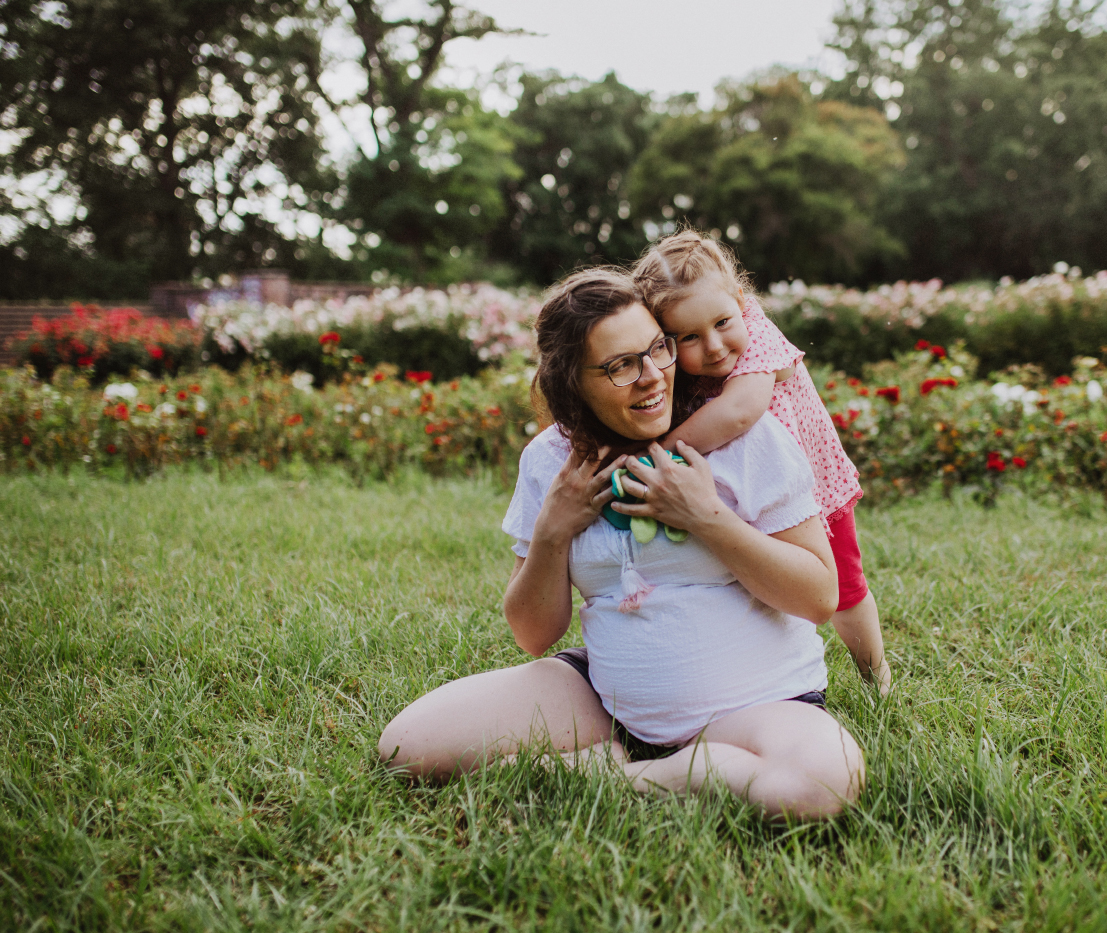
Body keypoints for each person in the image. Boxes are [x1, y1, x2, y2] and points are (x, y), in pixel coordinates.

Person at [378, 267, 865, 821]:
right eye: (619, 367)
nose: (653, 376)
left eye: (658, 349)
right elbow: (533, 634)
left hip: (758, 704)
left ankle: (615, 774)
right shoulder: (548, 461)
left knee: (822, 785)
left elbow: (820, 597)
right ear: (570, 382)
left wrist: (708, 519)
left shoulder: (745, 439)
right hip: (607, 703)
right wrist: (553, 531)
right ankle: (681, 764)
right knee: (405, 747)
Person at [632, 231, 892, 694]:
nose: (713, 346)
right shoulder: (679, 365)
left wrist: (657, 452)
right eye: (689, 336)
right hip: (748, 493)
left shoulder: (760, 339)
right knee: (751, 580)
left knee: (845, 587)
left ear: (740, 300)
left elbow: (738, 412)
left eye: (722, 321)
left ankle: (877, 678)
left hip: (812, 490)